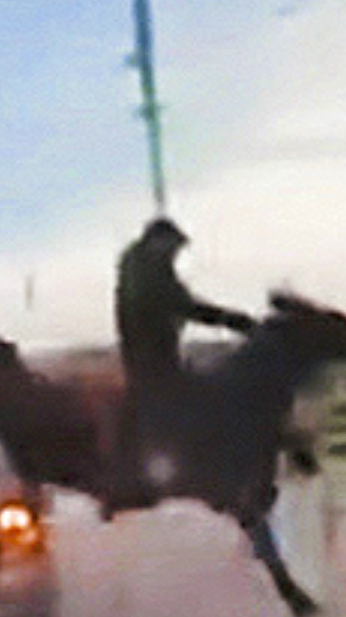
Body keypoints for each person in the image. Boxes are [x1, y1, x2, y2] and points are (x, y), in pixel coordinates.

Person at [109, 212, 255, 504]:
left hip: (153, 352)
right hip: (151, 357)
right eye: (174, 249)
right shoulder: (147, 273)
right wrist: (231, 320)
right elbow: (182, 304)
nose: (176, 255)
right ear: (159, 243)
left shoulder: (142, 267)